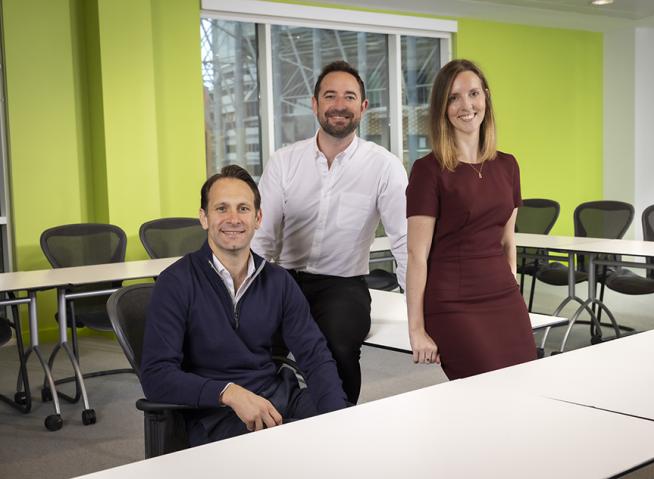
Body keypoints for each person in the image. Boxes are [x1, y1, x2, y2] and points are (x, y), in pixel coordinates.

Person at [141, 165, 347, 447]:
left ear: (258, 218)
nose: (233, 219)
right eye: (221, 209)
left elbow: (314, 355)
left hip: (278, 396)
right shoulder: (175, 282)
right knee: (302, 448)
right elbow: (156, 376)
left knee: (352, 432)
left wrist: (340, 418)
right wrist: (229, 393)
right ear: (203, 218)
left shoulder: (279, 281)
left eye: (243, 209)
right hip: (214, 414)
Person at [252, 61, 408, 404]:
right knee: (256, 342)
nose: (339, 104)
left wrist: (419, 309)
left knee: (338, 346)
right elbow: (262, 235)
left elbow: (403, 240)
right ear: (315, 103)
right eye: (330, 95)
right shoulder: (284, 161)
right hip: (283, 278)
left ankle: (340, 422)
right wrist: (252, 292)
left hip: (342, 284)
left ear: (363, 107)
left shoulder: (385, 166)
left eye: (349, 96)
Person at [405, 59, 536, 380]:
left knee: (527, 383)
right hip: (453, 301)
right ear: (442, 108)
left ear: (486, 98)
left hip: (503, 296)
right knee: (486, 387)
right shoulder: (428, 170)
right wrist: (417, 328)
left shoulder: (508, 166)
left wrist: (513, 287)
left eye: (473, 93)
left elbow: (507, 241)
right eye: (454, 97)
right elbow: (416, 255)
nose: (466, 105)